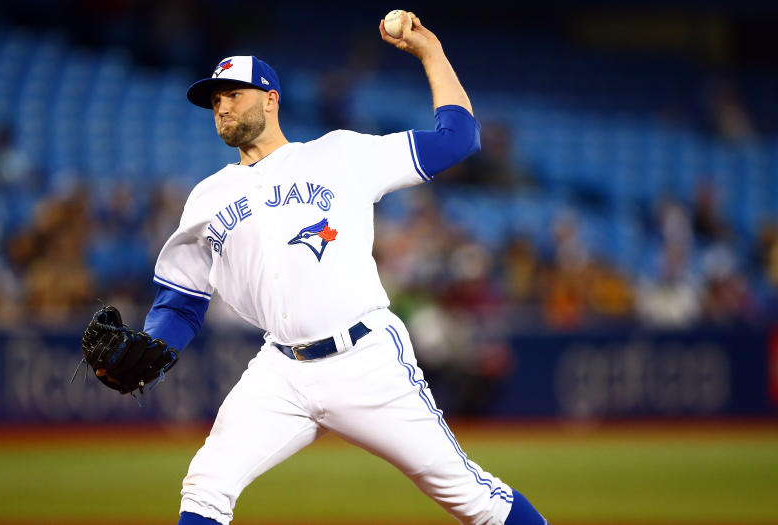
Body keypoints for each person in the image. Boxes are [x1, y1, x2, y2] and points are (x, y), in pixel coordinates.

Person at [139, 12, 547, 525]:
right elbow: (180, 302)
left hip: (365, 358)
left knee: (472, 499)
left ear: (271, 98)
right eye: (214, 99)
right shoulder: (206, 198)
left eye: (233, 93)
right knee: (205, 485)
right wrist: (154, 347)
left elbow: (458, 139)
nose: (221, 105)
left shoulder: (339, 154)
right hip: (280, 370)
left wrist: (431, 52)